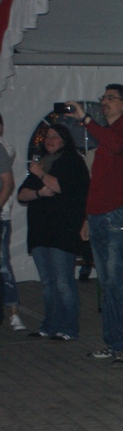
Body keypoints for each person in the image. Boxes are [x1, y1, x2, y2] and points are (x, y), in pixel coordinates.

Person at [69, 85, 123, 364]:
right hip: (99, 215)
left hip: (118, 214)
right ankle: (113, 343)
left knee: (116, 281)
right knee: (107, 283)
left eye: (111, 98)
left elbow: (117, 145)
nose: (104, 102)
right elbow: (97, 183)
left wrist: (86, 120)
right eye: (103, 98)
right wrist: (87, 217)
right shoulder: (105, 136)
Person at [16, 124, 89, 340]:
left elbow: (59, 186)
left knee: (63, 282)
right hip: (41, 231)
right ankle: (49, 325)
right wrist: (39, 193)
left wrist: (40, 173)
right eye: (47, 136)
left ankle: (69, 328)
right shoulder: (44, 162)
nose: (49, 140)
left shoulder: (72, 161)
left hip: (62, 231)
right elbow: (22, 195)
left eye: (55, 136)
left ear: (64, 140)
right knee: (48, 283)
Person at [0, 115, 23, 331]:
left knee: (3, 263)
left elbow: (8, 183)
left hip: (1, 217)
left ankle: (14, 312)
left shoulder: (4, 148)